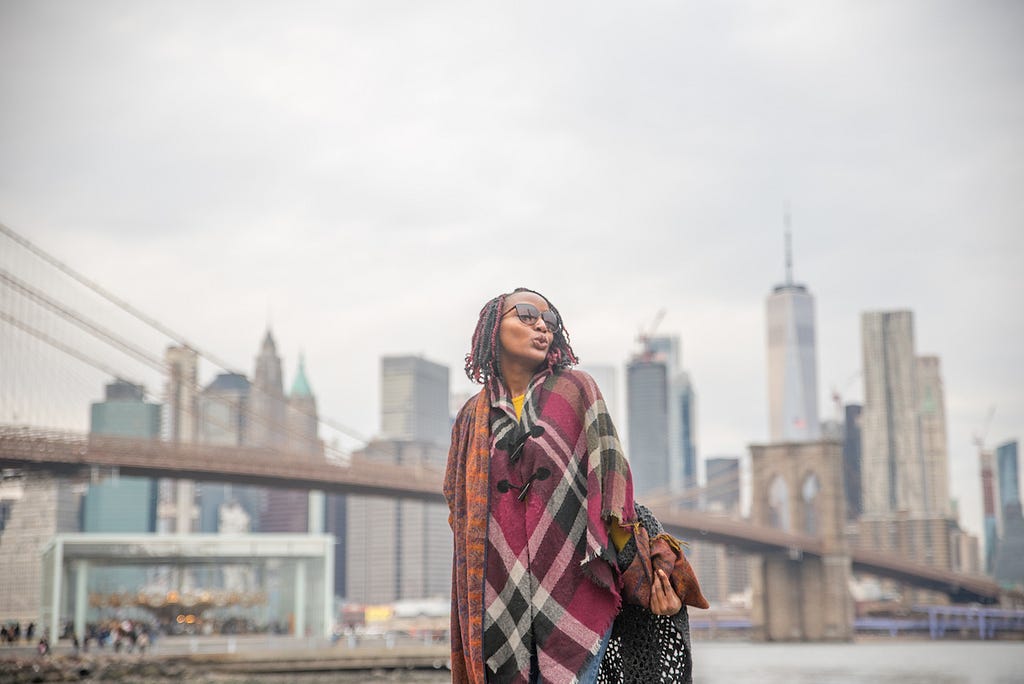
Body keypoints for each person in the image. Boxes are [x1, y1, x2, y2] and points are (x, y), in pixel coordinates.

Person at [445, 288, 703, 684]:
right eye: (526, 314)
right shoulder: (469, 418)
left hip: (575, 591)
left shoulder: (577, 391)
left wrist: (646, 584)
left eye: (549, 321)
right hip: (495, 597)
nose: (540, 326)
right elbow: (460, 513)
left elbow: (613, 495)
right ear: (494, 327)